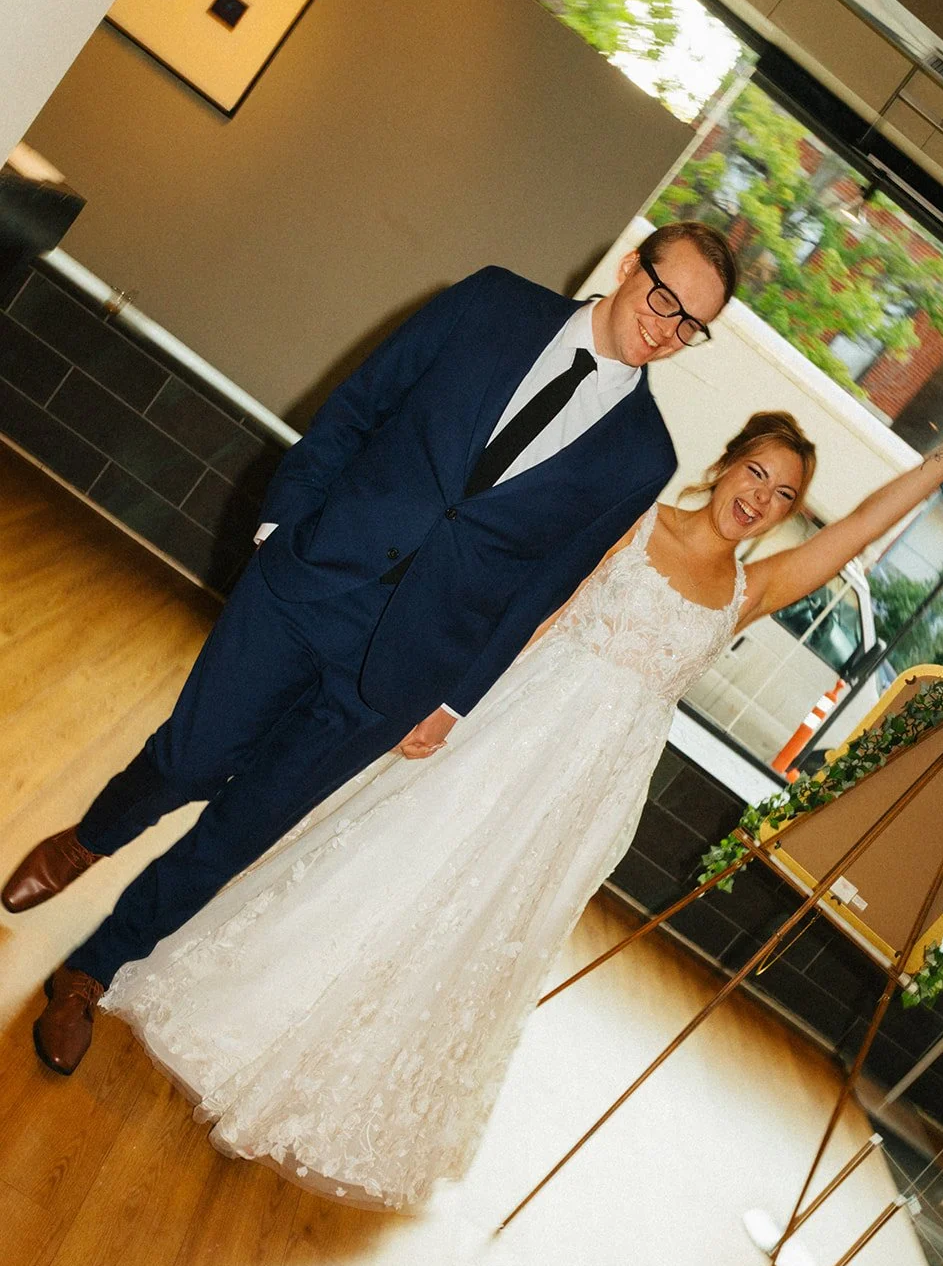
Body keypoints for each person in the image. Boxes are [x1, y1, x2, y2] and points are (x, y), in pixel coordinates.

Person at [94, 384, 943, 1209]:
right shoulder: (634, 521)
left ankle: (342, 1086)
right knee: (398, 864)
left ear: (790, 515)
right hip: (515, 726)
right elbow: (536, 611)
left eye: (782, 495)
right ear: (726, 463)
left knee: (483, 923)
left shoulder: (752, 588)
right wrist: (451, 705)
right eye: (754, 473)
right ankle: (252, 1016)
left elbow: (868, 524)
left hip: (589, 785)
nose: (759, 498)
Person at [4, 222, 736, 1074]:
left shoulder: (642, 455)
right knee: (191, 759)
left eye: (692, 325)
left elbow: (543, 584)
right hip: (311, 579)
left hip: (406, 665)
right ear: (630, 265)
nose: (667, 328)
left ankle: (91, 972)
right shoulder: (493, 301)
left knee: (243, 827)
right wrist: (282, 526)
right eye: (664, 298)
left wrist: (454, 698)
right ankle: (90, 838)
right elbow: (359, 404)